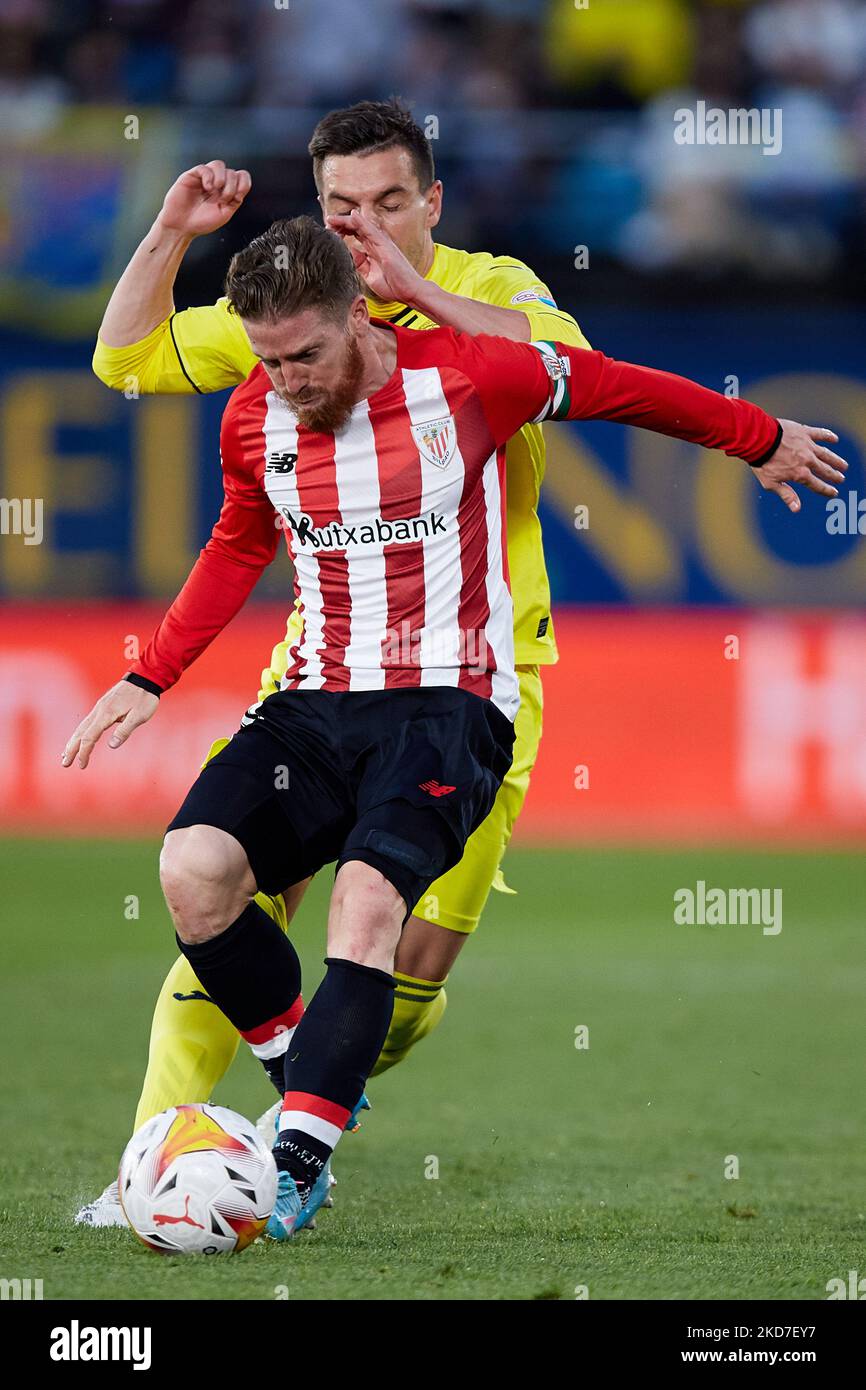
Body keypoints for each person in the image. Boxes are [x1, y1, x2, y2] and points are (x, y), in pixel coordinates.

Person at [65, 215, 845, 1237]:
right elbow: (238, 538)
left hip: (448, 703)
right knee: (192, 870)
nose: (287, 378)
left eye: (304, 354)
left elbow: (621, 387)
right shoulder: (254, 417)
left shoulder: (473, 376)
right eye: (266, 358)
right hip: (313, 701)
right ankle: (305, 1075)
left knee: (363, 906)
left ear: (357, 311)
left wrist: (759, 437)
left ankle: (296, 1161)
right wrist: (153, 672)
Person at [75, 99, 594, 1229]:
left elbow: (568, 368)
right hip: (327, 673)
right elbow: (124, 360)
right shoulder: (303, 301)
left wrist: (413, 294)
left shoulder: (490, 284)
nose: (363, 228)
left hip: (478, 677)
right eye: (340, 207)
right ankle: (159, 1162)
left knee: (403, 982)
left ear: (433, 203)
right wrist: (170, 231)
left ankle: (301, 1112)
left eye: (389, 204)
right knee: (224, 883)